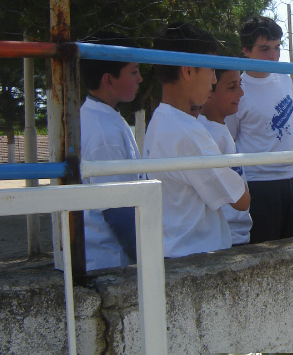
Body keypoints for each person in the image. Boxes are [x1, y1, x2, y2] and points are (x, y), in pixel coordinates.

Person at [143, 22, 250, 257]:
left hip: (173, 248)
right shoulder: (189, 132)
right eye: (211, 70)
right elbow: (241, 200)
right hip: (195, 254)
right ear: (188, 70)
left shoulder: (160, 120)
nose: (214, 80)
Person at [225, 16, 293, 243]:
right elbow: (229, 139)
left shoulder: (284, 78)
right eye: (264, 49)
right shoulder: (238, 91)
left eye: (277, 47)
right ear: (246, 50)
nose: (273, 55)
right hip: (260, 183)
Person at [79, 30, 143, 271]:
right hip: (111, 261)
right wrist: (147, 263)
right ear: (109, 80)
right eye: (134, 71)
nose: (140, 79)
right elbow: (118, 211)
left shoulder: (100, 116)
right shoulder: (103, 132)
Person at [199, 68, 253, 245]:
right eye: (232, 87)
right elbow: (238, 200)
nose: (241, 93)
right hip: (227, 237)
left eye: (240, 85)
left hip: (237, 234)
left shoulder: (219, 128)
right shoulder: (206, 135)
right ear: (209, 91)